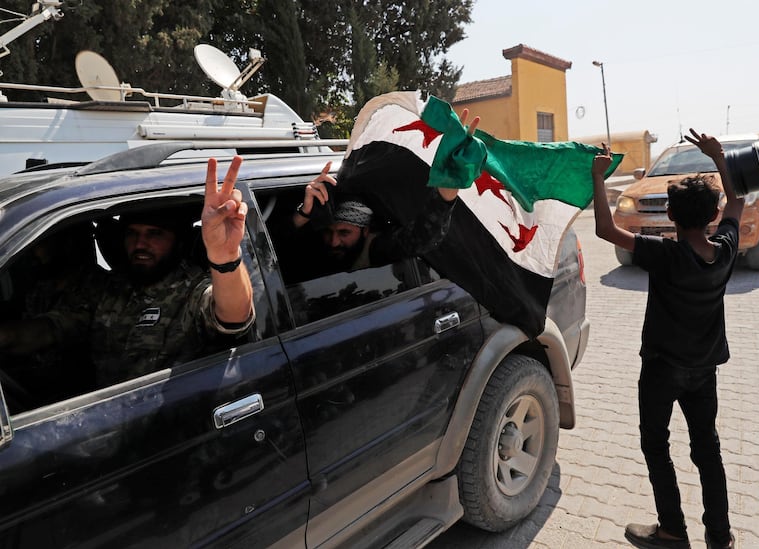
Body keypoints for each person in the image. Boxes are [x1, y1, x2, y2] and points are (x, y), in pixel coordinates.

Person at [591, 129, 738, 549]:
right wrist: (718, 157)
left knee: (656, 444)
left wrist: (597, 177)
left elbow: (604, 228)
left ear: (671, 216)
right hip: (704, 370)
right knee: (707, 449)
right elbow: (738, 201)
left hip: (661, 369)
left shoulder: (665, 254)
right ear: (712, 216)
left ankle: (672, 530)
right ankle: (720, 538)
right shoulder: (725, 251)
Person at [0, 156, 254, 388]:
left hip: (171, 424)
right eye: (133, 233)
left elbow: (234, 317)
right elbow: (53, 328)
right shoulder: (110, 289)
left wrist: (225, 257)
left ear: (178, 243)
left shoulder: (191, 290)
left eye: (155, 234)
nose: (140, 244)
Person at [288, 110, 479, 278]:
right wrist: (302, 215)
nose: (334, 241)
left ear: (365, 230)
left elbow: (421, 237)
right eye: (329, 232)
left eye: (344, 232)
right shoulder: (319, 247)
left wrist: (446, 192)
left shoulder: (377, 249)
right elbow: (276, 253)